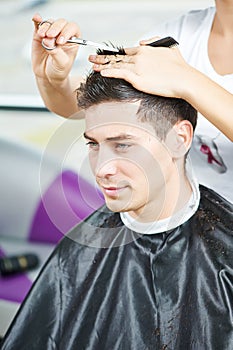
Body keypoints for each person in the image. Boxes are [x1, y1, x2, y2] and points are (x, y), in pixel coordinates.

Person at [1, 67, 233, 350]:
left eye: (122, 145)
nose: (102, 169)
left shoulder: (226, 255)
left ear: (179, 139)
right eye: (94, 145)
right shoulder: (75, 257)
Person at [31, 1, 233, 203]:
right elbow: (82, 104)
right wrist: (54, 80)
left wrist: (187, 80)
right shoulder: (178, 35)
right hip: (190, 218)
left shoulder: (174, 54)